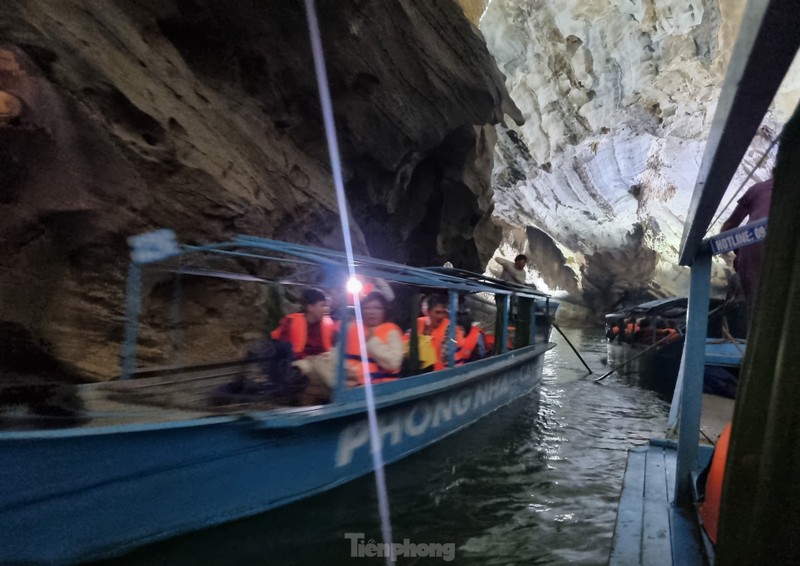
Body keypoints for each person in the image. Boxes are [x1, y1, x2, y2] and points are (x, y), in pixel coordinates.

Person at [720, 177, 773, 318]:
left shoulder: (757, 188)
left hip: (751, 252)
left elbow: (730, 225)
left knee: (748, 301)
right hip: (782, 253)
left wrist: (722, 248)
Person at [344, 292, 404, 386]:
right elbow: (338, 356)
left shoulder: (392, 332)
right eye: (367, 308)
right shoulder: (352, 328)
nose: (371, 311)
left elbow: (394, 363)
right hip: (349, 385)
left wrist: (372, 342)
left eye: (377, 308)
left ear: (385, 311)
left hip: (380, 389)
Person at [271, 288, 335, 360]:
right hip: (300, 362)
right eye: (322, 305)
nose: (326, 309)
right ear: (310, 307)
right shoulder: (290, 323)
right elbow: (282, 349)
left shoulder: (328, 324)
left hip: (323, 359)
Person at [417, 295, 464, 370]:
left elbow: (458, 344)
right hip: (419, 373)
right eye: (437, 312)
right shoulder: (418, 323)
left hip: (440, 376)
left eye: (443, 313)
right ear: (428, 312)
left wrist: (451, 340)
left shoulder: (451, 328)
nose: (441, 316)